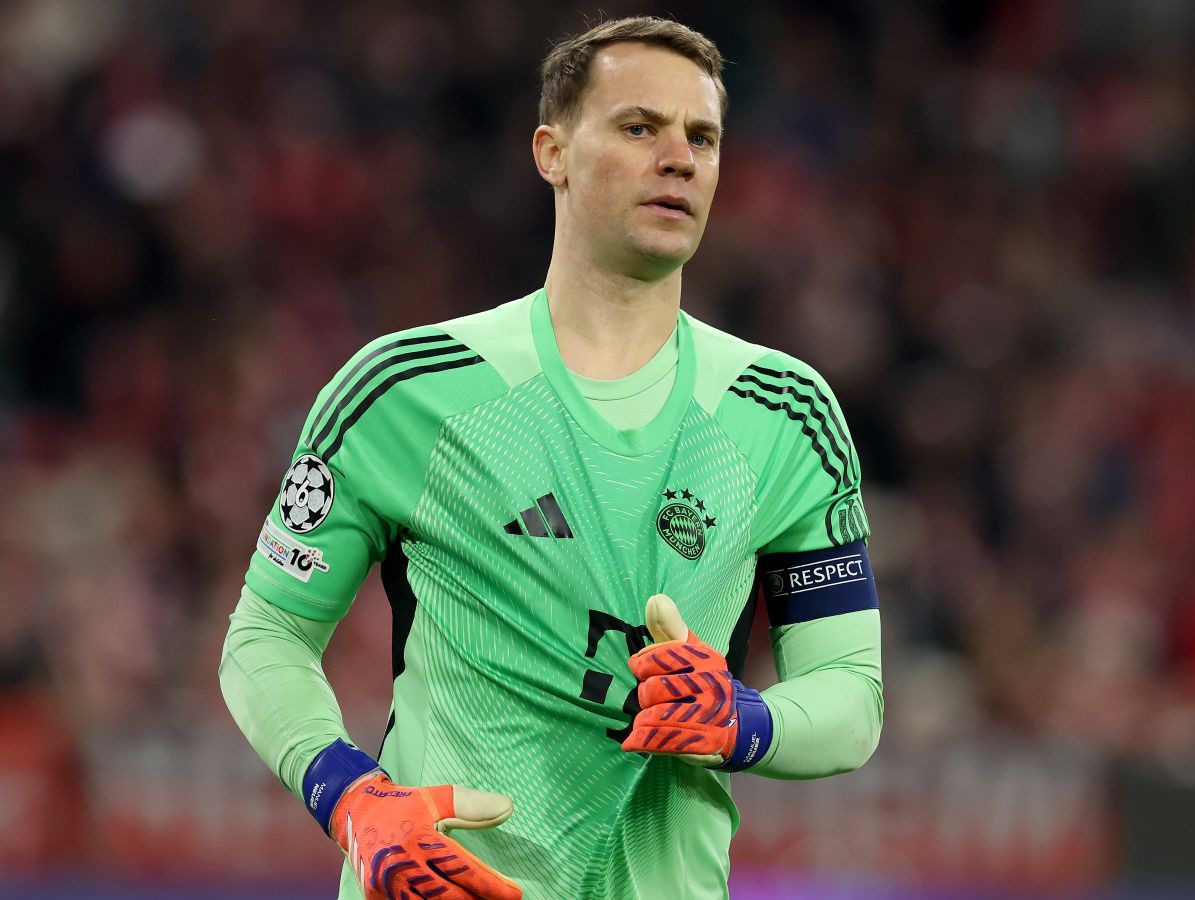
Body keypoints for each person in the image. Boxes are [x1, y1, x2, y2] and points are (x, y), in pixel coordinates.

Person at [220, 15, 883, 900]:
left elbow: (850, 695)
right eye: (639, 127)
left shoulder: (784, 413)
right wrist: (350, 799)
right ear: (552, 153)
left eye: (702, 138)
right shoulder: (406, 391)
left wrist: (744, 719)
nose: (678, 159)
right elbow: (265, 637)